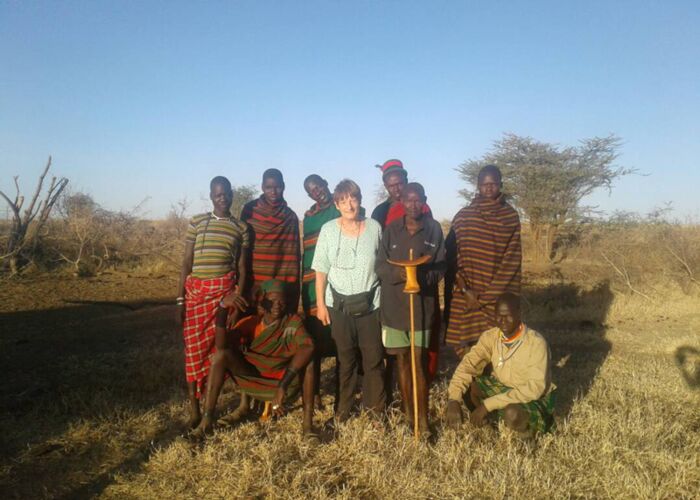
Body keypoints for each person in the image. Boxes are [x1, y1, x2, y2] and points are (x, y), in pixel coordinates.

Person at [190, 279, 316, 439]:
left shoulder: (292, 321)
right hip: (253, 381)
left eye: (281, 300)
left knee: (309, 360)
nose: (277, 305)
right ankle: (206, 422)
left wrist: (283, 386)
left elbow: (309, 346)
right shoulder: (251, 323)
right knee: (220, 356)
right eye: (272, 300)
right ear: (263, 301)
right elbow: (221, 345)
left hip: (280, 386)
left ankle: (308, 428)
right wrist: (222, 309)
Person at [176, 176, 249, 429]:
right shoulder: (197, 222)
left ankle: (219, 405)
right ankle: (195, 410)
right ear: (211, 195)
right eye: (218, 194)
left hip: (224, 294)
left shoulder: (240, 228)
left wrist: (238, 297)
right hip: (196, 296)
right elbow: (186, 262)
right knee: (193, 353)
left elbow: (241, 266)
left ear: (231, 194)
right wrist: (179, 300)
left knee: (223, 350)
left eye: (226, 194)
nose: (223, 198)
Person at [312, 179, 386, 422]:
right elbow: (320, 270)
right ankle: (342, 412)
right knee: (346, 360)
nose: (349, 204)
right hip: (339, 306)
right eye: (343, 200)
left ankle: (375, 412)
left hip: (370, 305)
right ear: (337, 204)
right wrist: (321, 305)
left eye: (353, 198)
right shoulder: (329, 230)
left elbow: (382, 265)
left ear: (360, 199)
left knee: (373, 359)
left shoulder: (374, 227)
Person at [375, 183, 445, 436]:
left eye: (418, 201)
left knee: (419, 362)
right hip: (394, 308)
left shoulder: (434, 229)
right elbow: (380, 267)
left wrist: (420, 278)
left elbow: (440, 267)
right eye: (409, 201)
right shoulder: (391, 230)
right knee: (402, 361)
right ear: (401, 202)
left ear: (425, 201)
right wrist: (402, 274)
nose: (413, 205)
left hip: (422, 308)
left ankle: (424, 423)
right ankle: (408, 417)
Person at [445, 293, 556, 436]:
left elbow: (533, 390)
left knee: (512, 413)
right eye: (499, 316)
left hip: (532, 398)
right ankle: (493, 421)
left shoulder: (536, 343)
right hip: (504, 390)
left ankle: (527, 434)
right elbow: (469, 364)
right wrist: (454, 399)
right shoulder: (491, 337)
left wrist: (487, 405)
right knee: (469, 385)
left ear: (519, 313)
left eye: (508, 315)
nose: (503, 321)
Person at [371, 159, 440, 384]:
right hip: (393, 288)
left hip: (420, 288)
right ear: (386, 187)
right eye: (391, 186)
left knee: (420, 348)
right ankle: (401, 393)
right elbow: (380, 252)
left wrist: (421, 275)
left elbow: (431, 247)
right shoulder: (381, 212)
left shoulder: (422, 209)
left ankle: (422, 389)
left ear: (406, 182)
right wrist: (394, 275)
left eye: (399, 183)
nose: (396, 189)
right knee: (396, 348)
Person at [445, 164, 522, 358]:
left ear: (501, 185)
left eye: (493, 184)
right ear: (478, 186)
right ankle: (472, 388)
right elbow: (452, 258)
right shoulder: (464, 217)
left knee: (497, 351)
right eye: (484, 184)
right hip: (467, 295)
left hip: (498, 295)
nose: (489, 188)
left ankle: (494, 386)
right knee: (469, 353)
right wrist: (466, 291)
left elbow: (512, 260)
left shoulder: (510, 217)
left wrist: (487, 297)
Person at [302, 174, 341, 408]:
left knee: (340, 342)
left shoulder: (341, 207)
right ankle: (313, 391)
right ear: (310, 196)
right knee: (314, 341)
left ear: (327, 183)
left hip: (338, 283)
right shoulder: (309, 218)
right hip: (313, 285)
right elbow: (308, 253)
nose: (318, 192)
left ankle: (340, 391)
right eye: (312, 191)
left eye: (319, 187)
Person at [241, 168, 301, 311]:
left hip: (281, 282)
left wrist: (289, 286)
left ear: (283, 186)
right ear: (262, 187)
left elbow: (292, 257)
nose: (273, 192)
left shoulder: (290, 217)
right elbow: (243, 246)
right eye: (268, 187)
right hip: (254, 279)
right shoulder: (250, 210)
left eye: (277, 187)